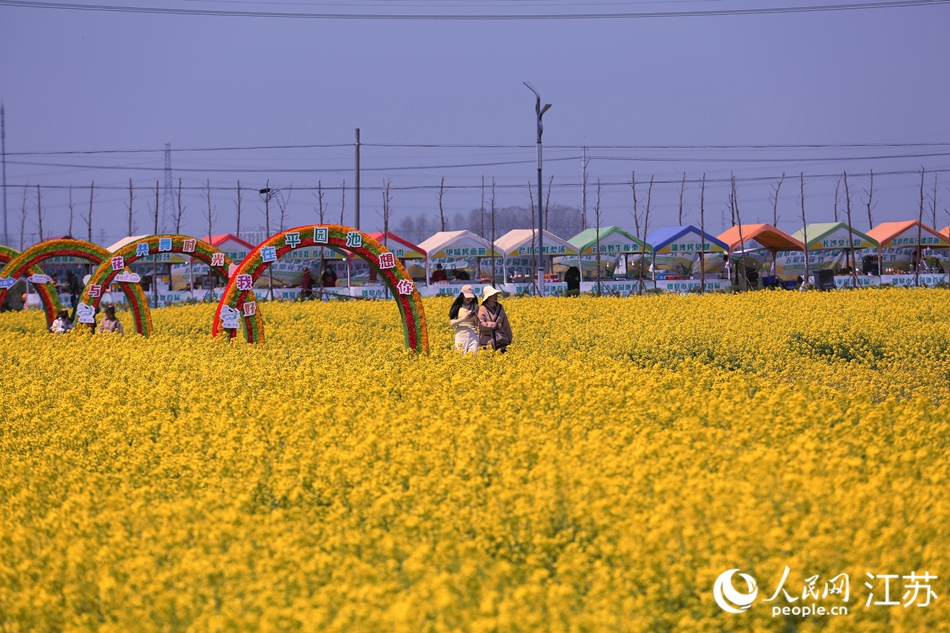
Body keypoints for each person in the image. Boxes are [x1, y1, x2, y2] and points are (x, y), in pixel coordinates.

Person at [478, 286, 513, 353]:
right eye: (493, 295)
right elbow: (480, 325)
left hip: (501, 341)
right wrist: (494, 325)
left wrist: (509, 338)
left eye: (496, 294)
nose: (496, 296)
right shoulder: (482, 308)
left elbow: (505, 323)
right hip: (487, 342)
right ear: (488, 297)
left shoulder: (500, 307)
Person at [449, 284, 479, 355]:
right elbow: (452, 324)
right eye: (467, 296)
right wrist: (464, 317)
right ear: (462, 295)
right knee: (460, 357)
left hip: (473, 335)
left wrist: (475, 317)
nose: (469, 299)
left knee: (473, 358)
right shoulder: (457, 307)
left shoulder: (475, 306)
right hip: (461, 335)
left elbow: (478, 325)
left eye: (471, 297)